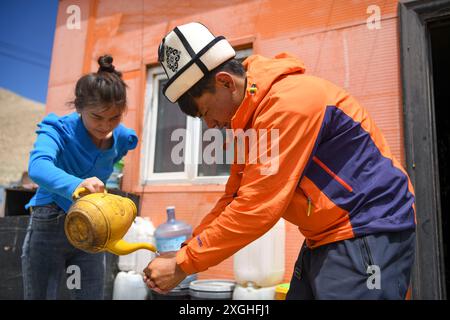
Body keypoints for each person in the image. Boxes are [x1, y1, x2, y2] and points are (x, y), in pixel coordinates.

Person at [144, 22, 416, 299]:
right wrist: (185, 250)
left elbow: (256, 208)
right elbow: (235, 198)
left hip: (367, 227)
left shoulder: (288, 103)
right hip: (324, 235)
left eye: (205, 113)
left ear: (225, 82)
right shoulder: (247, 120)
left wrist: (183, 263)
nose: (210, 125)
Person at [21, 55, 138, 300]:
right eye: (97, 117)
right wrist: (77, 184)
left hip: (95, 225)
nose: (106, 125)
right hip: (50, 220)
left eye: (114, 117)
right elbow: (38, 166)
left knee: (91, 295)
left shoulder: (122, 138)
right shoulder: (58, 129)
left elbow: (116, 154)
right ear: (79, 107)